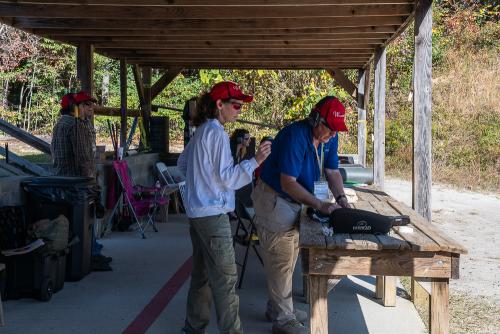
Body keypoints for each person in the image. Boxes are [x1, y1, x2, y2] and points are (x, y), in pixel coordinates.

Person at [177, 81, 271, 334]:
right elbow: (229, 179)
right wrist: (256, 160)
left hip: (198, 214)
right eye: (236, 105)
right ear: (220, 105)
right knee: (226, 281)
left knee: (202, 277)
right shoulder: (217, 133)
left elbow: (182, 164)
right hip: (212, 215)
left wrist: (203, 184)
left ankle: (193, 328)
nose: (239, 110)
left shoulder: (201, 131)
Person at [251, 96, 351, 334]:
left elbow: (332, 171)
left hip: (297, 200)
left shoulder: (329, 137)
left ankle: (277, 308)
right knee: (281, 257)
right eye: (330, 129)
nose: (332, 135)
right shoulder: (294, 136)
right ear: (315, 119)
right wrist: (319, 204)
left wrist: (341, 200)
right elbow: (288, 183)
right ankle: (283, 319)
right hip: (275, 198)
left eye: (337, 131)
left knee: (291, 253)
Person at [51, 91, 112, 271]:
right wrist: (92, 185)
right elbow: (83, 158)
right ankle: (90, 255)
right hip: (77, 183)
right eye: (86, 104)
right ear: (75, 108)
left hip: (64, 181)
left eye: (90, 104)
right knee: (85, 221)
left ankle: (87, 253)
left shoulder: (61, 124)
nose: (90, 108)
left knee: (75, 222)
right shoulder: (76, 126)